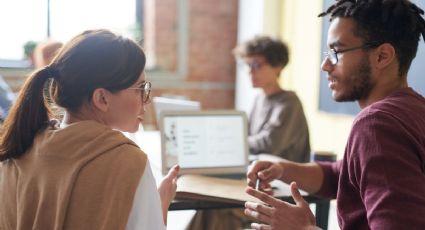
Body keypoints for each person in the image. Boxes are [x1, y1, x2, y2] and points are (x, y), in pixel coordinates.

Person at [244, 0, 425, 229]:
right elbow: (341, 174)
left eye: (337, 52)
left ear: (382, 56)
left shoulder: (377, 124)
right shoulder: (414, 109)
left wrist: (304, 228)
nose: (325, 65)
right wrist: (282, 169)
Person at [0, 29, 179, 230]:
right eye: (140, 89)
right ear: (102, 98)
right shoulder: (129, 163)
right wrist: (160, 203)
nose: (146, 100)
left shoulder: (19, 147)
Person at [233, 36, 310, 163]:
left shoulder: (289, 102)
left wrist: (234, 142)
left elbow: (269, 144)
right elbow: (244, 133)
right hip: (261, 173)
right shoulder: (259, 99)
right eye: (247, 65)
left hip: (284, 180)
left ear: (278, 66)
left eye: (257, 65)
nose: (250, 72)